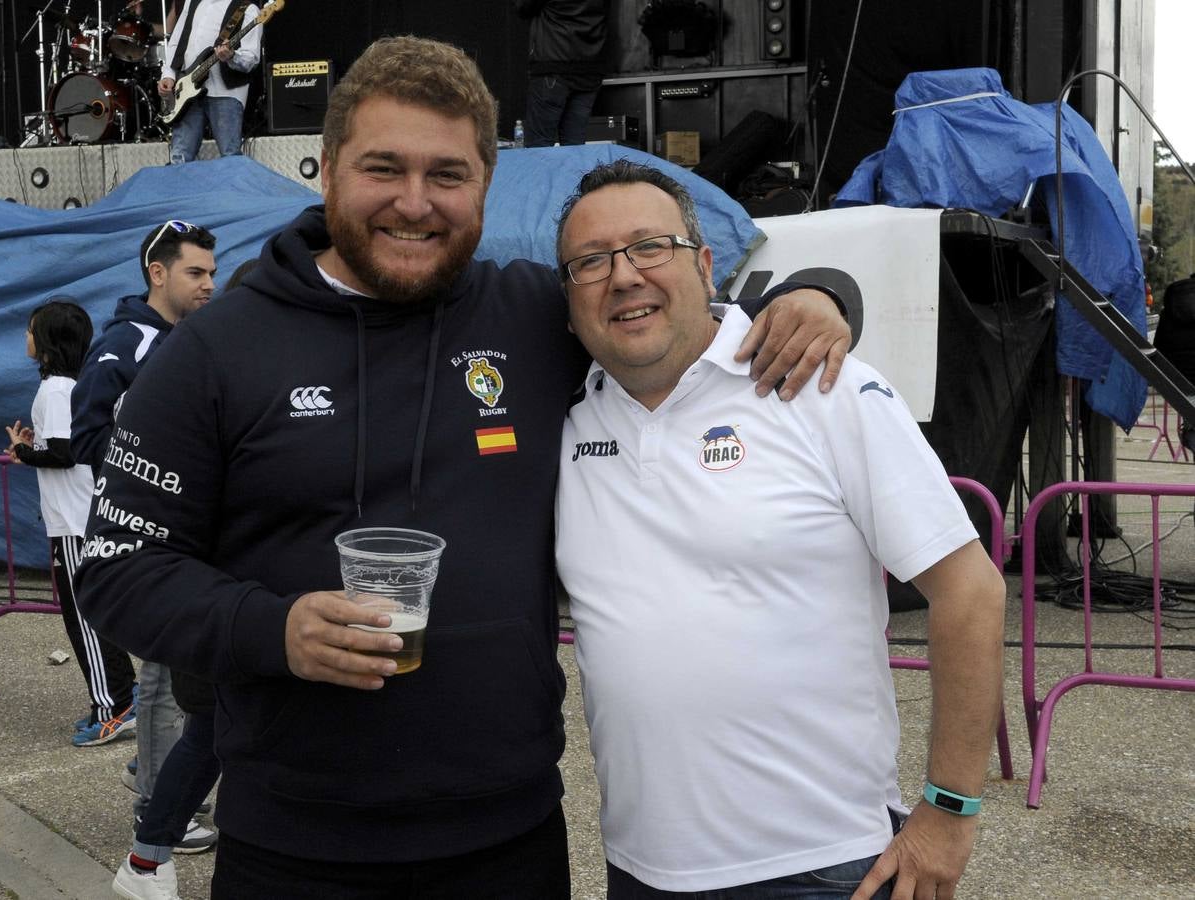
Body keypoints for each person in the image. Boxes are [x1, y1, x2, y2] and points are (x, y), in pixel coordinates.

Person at [74, 36, 849, 898]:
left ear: (486, 182)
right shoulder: (216, 350)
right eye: (383, 169)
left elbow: (661, 313)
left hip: (507, 840)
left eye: (448, 174)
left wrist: (811, 297)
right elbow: (118, 572)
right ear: (326, 169)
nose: (415, 202)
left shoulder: (532, 316)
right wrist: (273, 629)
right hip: (295, 848)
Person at [552, 160, 1007, 899]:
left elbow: (970, 592)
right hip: (640, 870)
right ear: (568, 296)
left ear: (706, 265)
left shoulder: (823, 387)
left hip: (822, 868)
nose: (624, 275)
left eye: (649, 247)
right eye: (591, 261)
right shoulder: (568, 420)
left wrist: (950, 811)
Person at [70, 221, 219, 858]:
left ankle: (160, 784)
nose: (209, 284)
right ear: (157, 273)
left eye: (213, 272)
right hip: (150, 540)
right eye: (196, 273)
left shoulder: (196, 339)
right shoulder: (125, 344)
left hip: (192, 537)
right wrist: (159, 479)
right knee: (161, 682)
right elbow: (87, 436)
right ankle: (157, 811)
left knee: (184, 680)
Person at [4, 299, 138, 748]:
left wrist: (25, 453)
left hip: (77, 523)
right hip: (76, 519)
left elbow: (67, 453)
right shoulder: (65, 387)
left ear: (46, 343)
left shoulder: (57, 390)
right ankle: (120, 696)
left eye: (30, 330)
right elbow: (63, 445)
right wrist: (31, 448)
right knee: (89, 616)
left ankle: (115, 707)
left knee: (84, 619)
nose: (25, 337)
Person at [158, 0, 263, 165]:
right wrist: (169, 74)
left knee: (230, 157)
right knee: (179, 157)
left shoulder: (248, 9)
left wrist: (232, 56)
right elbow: (177, 42)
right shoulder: (192, 3)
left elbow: (251, 59)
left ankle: (231, 191)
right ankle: (178, 190)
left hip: (226, 92)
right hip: (188, 90)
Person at [515, 0, 607, 147]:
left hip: (553, 64)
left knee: (540, 146)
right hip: (589, 68)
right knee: (575, 146)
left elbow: (523, 7)